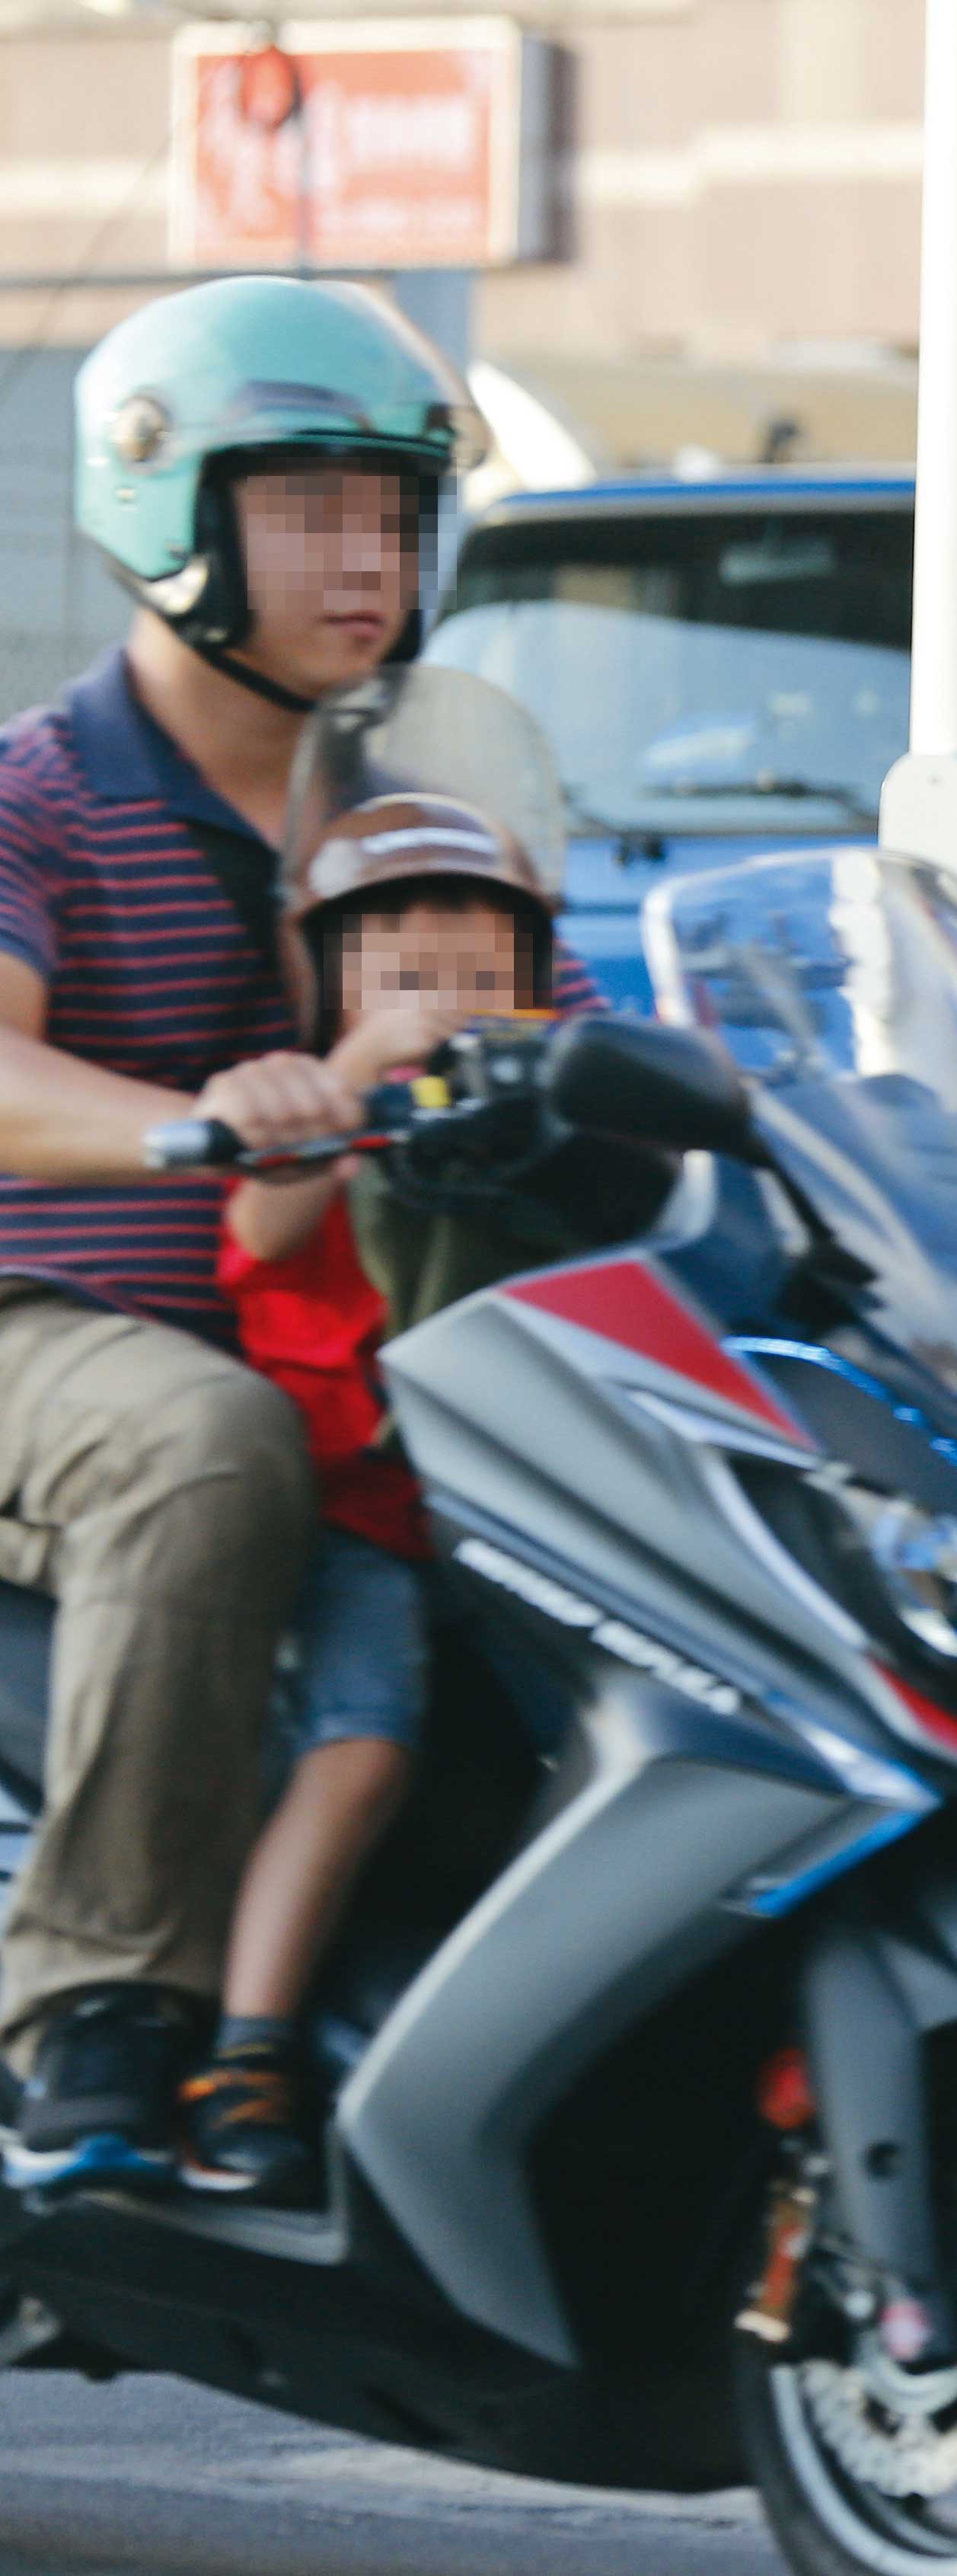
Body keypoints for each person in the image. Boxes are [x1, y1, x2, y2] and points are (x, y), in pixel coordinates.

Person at [0, 276, 508, 2192]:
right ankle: (104, 2015)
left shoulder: (410, 807)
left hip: (333, 1331)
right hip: (46, 1320)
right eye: (308, 508)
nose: (367, 557)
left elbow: (558, 1008)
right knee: (207, 1448)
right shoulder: (37, 796)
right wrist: (192, 1121)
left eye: (392, 511)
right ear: (169, 513)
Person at [183, 778, 564, 2202]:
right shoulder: (318, 1127)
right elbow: (259, 1223)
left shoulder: (536, 1131)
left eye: (481, 975)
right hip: (353, 1520)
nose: (446, 1003)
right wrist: (347, 1084)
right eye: (404, 975)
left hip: (519, 1512)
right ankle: (250, 2041)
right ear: (330, 987)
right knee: (362, 1748)